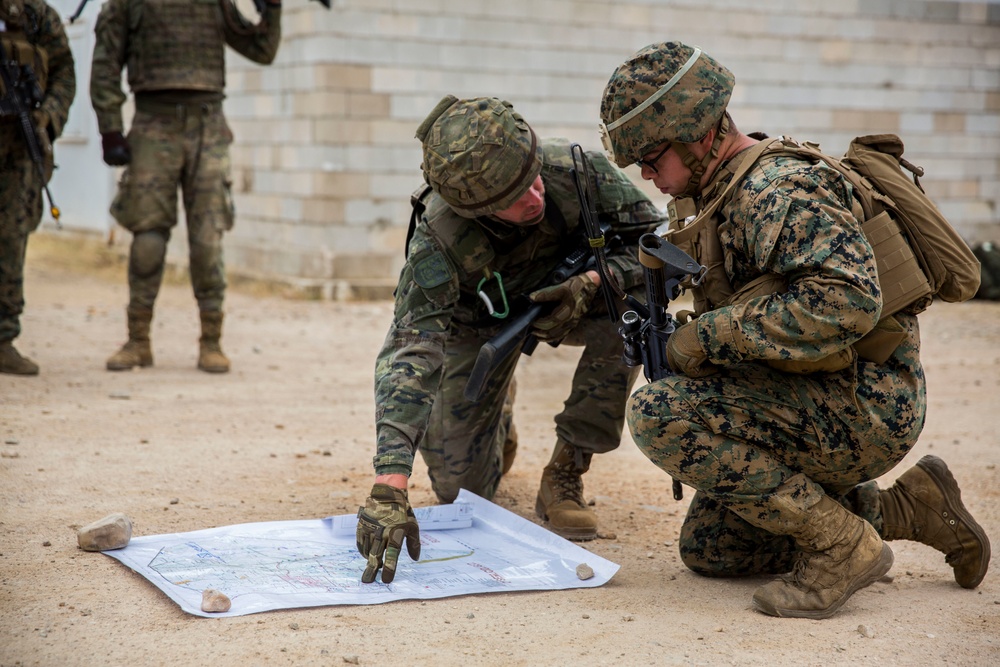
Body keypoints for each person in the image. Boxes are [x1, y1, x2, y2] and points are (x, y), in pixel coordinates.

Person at [598, 41, 990, 619]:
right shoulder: (721, 191)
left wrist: (707, 338)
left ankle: (842, 547)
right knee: (713, 549)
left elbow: (848, 301)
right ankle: (914, 508)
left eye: (653, 157)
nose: (647, 174)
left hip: (868, 403)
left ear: (698, 134)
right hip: (822, 393)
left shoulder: (773, 191)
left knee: (659, 413)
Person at [355, 95, 665, 584]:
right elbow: (411, 349)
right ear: (478, 211)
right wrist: (389, 484)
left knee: (635, 311)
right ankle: (497, 410)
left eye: (533, 177)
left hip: (573, 301)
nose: (536, 197)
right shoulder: (440, 236)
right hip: (478, 331)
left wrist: (594, 283)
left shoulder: (578, 172)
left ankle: (566, 472)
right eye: (514, 198)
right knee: (461, 491)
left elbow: (656, 245)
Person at [90, 0, 282, 373]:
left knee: (208, 239)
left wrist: (271, 9)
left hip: (208, 124)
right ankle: (138, 340)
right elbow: (105, 62)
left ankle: (211, 341)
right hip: (153, 121)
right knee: (148, 236)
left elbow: (261, 50)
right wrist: (110, 127)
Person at [0, 0, 75, 376]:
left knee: (12, 234)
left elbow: (64, 71)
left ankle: (2, 339)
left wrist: (49, 116)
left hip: (16, 140)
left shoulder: (33, 14)